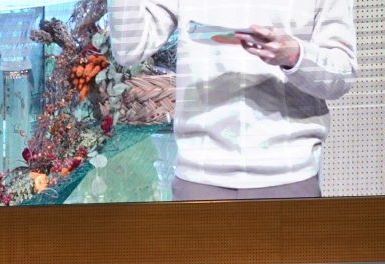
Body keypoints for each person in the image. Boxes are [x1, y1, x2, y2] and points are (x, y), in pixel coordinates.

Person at [109, 1, 358, 200]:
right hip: (199, 176)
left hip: (290, 176)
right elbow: (129, 48)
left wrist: (295, 55)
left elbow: (342, 74)